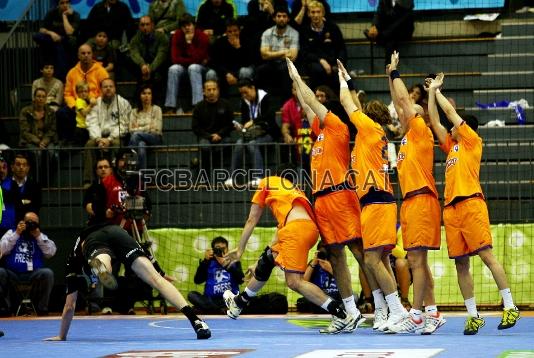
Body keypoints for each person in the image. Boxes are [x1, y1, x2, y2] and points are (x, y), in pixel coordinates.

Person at [425, 73, 520, 335]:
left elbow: (448, 111)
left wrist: (438, 89)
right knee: (461, 264)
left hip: (471, 204)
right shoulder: (452, 147)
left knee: (487, 255)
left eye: (455, 124)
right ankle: (473, 315)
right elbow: (435, 119)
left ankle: (510, 306)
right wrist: (431, 94)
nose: (451, 126)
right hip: (452, 209)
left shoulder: (471, 142)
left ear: (465, 128)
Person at [43, 193, 211, 340]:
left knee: (103, 259)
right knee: (156, 280)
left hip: (93, 242)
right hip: (118, 233)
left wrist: (61, 336)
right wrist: (159, 271)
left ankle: (101, 269)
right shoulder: (107, 227)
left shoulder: (71, 262)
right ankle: (197, 321)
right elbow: (146, 251)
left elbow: (69, 306)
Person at [223, 170, 360, 333]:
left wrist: (240, 250)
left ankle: (341, 315)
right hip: (308, 230)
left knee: (294, 282)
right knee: (267, 260)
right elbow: (280, 234)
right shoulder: (292, 190)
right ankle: (238, 303)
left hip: (295, 231)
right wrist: (260, 261)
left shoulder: (266, 182)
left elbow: (252, 219)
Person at [286, 59, 367, 333]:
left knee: (360, 252)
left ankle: (383, 307)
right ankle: (350, 313)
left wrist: (299, 76)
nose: (316, 114)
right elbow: (307, 105)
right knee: (336, 256)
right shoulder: (319, 133)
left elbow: (312, 101)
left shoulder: (338, 127)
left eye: (321, 110)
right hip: (321, 200)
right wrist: (295, 83)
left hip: (340, 196)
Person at [336, 59, 409, 331]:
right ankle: (386, 311)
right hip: (375, 202)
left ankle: (399, 311)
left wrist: (342, 80)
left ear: (368, 118)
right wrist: (352, 82)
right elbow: (355, 103)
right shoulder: (372, 134)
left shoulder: (368, 130)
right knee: (380, 260)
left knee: (371, 260)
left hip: (377, 201)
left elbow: (347, 103)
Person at [384, 52, 444, 334]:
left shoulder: (421, 130)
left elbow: (405, 102)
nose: (405, 111)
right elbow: (398, 103)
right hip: (411, 202)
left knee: (416, 261)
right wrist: (388, 75)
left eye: (411, 111)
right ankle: (432, 313)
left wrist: (396, 72)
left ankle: (416, 315)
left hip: (421, 199)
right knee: (419, 261)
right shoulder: (407, 137)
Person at [0, 212, 56, 316]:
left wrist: (38, 236)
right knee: (0, 272)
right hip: (13, 274)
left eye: (34, 223)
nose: (31, 225)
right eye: (28, 222)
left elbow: (50, 252)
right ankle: (4, 308)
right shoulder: (11, 232)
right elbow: (2, 250)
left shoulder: (40, 236)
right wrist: (17, 233)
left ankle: (42, 308)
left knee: (47, 273)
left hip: (33, 274)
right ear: (23, 222)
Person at [225, 78, 278, 187]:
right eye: (241, 93)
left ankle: (259, 177)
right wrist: (241, 127)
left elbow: (270, 116)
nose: (244, 95)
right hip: (252, 133)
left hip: (268, 132)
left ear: (253, 88)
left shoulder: (266, 97)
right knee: (239, 143)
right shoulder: (245, 102)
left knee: (252, 144)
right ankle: (232, 177)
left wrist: (254, 121)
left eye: (246, 92)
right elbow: (245, 121)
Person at [164, 13, 217, 114]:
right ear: (180, 27)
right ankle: (171, 106)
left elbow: (199, 59)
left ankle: (198, 106)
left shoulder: (202, 36)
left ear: (194, 25)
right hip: (184, 68)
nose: (187, 28)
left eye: (189, 25)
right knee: (173, 69)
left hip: (202, 68)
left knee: (193, 67)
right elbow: (175, 58)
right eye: (184, 26)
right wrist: (190, 59)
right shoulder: (177, 36)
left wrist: (189, 43)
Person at [83, 78, 131, 186]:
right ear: (101, 89)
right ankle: (89, 181)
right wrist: (98, 139)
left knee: (117, 144)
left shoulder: (123, 103)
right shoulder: (96, 103)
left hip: (116, 136)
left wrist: (109, 139)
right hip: (99, 135)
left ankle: (116, 178)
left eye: (111, 86)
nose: (108, 89)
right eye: (105, 87)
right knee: (89, 145)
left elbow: (124, 124)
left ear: (115, 88)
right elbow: (91, 122)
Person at [58, 44, 109, 143]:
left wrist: (93, 102)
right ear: (78, 55)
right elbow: (67, 94)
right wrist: (75, 106)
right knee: (62, 113)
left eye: (89, 53)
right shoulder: (72, 72)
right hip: (77, 105)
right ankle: (66, 141)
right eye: (83, 53)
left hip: (96, 105)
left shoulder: (101, 71)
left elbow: (105, 90)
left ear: (92, 55)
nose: (86, 55)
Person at [187, 236, 244, 314]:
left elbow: (241, 280)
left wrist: (226, 264)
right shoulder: (208, 262)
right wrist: (205, 261)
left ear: (227, 249)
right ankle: (219, 310)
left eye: (223, 248)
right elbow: (197, 280)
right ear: (213, 250)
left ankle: (208, 310)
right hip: (211, 300)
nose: (220, 251)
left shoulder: (234, 261)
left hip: (229, 299)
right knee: (191, 295)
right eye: (218, 248)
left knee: (240, 300)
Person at [298, 1, 346, 91]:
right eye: (313, 12)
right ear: (308, 14)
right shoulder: (304, 31)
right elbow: (305, 53)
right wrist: (321, 60)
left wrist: (339, 63)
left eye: (318, 12)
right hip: (314, 63)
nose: (315, 15)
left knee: (339, 74)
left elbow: (341, 49)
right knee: (318, 70)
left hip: (332, 63)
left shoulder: (333, 28)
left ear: (323, 13)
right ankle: (320, 97)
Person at [256, 6, 299, 100]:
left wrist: (271, 53)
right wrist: (283, 52)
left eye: (284, 16)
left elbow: (293, 57)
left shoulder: (294, 33)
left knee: (284, 69)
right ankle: (263, 101)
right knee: (260, 70)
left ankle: (285, 101)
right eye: (279, 16)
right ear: (274, 18)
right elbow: (263, 55)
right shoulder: (267, 33)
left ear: (288, 19)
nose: (281, 19)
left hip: (286, 64)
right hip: (270, 63)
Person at [18, 87, 59, 186]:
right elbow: (25, 132)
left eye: (43, 97)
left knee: (51, 152)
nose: (41, 99)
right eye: (38, 96)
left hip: (47, 141)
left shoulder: (51, 112)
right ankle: (37, 183)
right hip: (30, 141)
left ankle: (49, 182)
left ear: (46, 99)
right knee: (37, 154)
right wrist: (37, 142)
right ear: (34, 98)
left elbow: (52, 130)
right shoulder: (25, 111)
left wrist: (44, 141)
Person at [192, 80, 234, 171]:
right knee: (205, 146)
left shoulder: (226, 104)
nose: (211, 92)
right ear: (204, 91)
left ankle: (206, 166)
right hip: (206, 137)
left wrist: (220, 134)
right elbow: (196, 127)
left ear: (218, 90)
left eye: (214, 89)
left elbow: (230, 124)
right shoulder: (198, 107)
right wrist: (209, 136)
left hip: (223, 137)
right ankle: (206, 176)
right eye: (209, 89)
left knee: (227, 142)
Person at [33, 0, 80, 80]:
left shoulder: (75, 15)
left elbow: (69, 32)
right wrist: (51, 33)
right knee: (36, 36)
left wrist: (64, 16)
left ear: (70, 4)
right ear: (58, 5)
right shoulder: (51, 13)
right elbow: (42, 29)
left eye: (67, 2)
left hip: (65, 39)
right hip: (52, 38)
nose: (65, 5)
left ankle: (61, 77)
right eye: (62, 3)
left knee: (59, 45)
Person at [208, 19, 255, 95]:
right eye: (229, 32)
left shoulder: (246, 41)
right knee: (210, 73)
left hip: (241, 70)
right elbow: (214, 63)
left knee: (245, 71)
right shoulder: (219, 43)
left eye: (235, 31)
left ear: (239, 30)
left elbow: (248, 62)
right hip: (225, 71)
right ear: (226, 32)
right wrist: (226, 74)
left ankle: (246, 99)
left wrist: (238, 48)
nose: (233, 33)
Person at [0, 154, 42, 236]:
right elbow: (7, 203)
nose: (21, 167)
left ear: (28, 168)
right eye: (18, 164)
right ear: (12, 167)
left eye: (24, 165)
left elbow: (36, 206)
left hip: (28, 229)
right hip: (7, 230)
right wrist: (24, 202)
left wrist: (18, 202)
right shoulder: (4, 185)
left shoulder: (35, 186)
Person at [364, 0, 415, 66]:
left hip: (403, 30)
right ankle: (377, 36)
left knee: (391, 41)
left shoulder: (406, 2)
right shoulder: (384, 1)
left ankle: (379, 38)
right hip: (389, 30)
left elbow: (400, 21)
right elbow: (378, 13)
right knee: (389, 39)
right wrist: (374, 26)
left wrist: (383, 34)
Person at [128, 16, 169, 95]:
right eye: (142, 25)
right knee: (129, 60)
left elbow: (161, 55)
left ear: (152, 25)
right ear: (139, 26)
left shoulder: (161, 37)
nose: (145, 27)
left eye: (147, 24)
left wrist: (150, 68)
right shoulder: (135, 39)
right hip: (142, 67)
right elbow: (134, 53)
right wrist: (142, 65)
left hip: (157, 66)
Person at [296, 241, 341, 313]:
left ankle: (329, 306)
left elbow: (345, 283)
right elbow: (303, 282)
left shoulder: (337, 262)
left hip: (335, 296)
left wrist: (331, 270)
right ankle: (332, 307)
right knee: (301, 302)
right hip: (318, 296)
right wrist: (313, 263)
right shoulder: (314, 263)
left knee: (354, 297)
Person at [128, 85, 163, 171]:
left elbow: (157, 129)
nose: (146, 96)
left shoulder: (157, 109)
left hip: (155, 139)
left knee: (136, 135)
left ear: (152, 96)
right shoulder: (134, 112)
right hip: (141, 140)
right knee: (141, 145)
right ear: (139, 96)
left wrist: (138, 128)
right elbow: (130, 130)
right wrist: (148, 127)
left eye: (149, 93)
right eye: (144, 93)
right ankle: (142, 178)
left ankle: (128, 160)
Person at [280, 82, 314, 169]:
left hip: (315, 139)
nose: (298, 92)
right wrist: (286, 135)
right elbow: (285, 126)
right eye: (295, 89)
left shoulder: (313, 103)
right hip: (298, 141)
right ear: (292, 91)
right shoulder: (287, 106)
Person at [73, 81, 96, 146]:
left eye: (85, 91)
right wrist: (91, 105)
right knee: (81, 147)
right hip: (81, 128)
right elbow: (84, 113)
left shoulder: (86, 100)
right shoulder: (79, 101)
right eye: (81, 92)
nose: (83, 93)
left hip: (87, 127)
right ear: (77, 93)